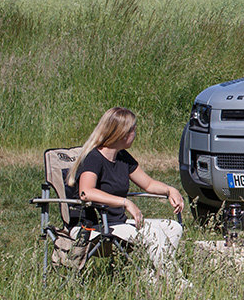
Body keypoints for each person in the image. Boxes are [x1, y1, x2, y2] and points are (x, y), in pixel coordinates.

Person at [66, 106, 186, 281]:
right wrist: (125, 202)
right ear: (122, 133)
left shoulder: (122, 157)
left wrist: (170, 190)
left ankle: (152, 278)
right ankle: (176, 283)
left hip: (116, 224)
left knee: (173, 227)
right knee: (154, 233)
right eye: (133, 130)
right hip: (93, 227)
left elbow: (149, 184)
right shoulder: (93, 158)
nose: (135, 134)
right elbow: (86, 192)